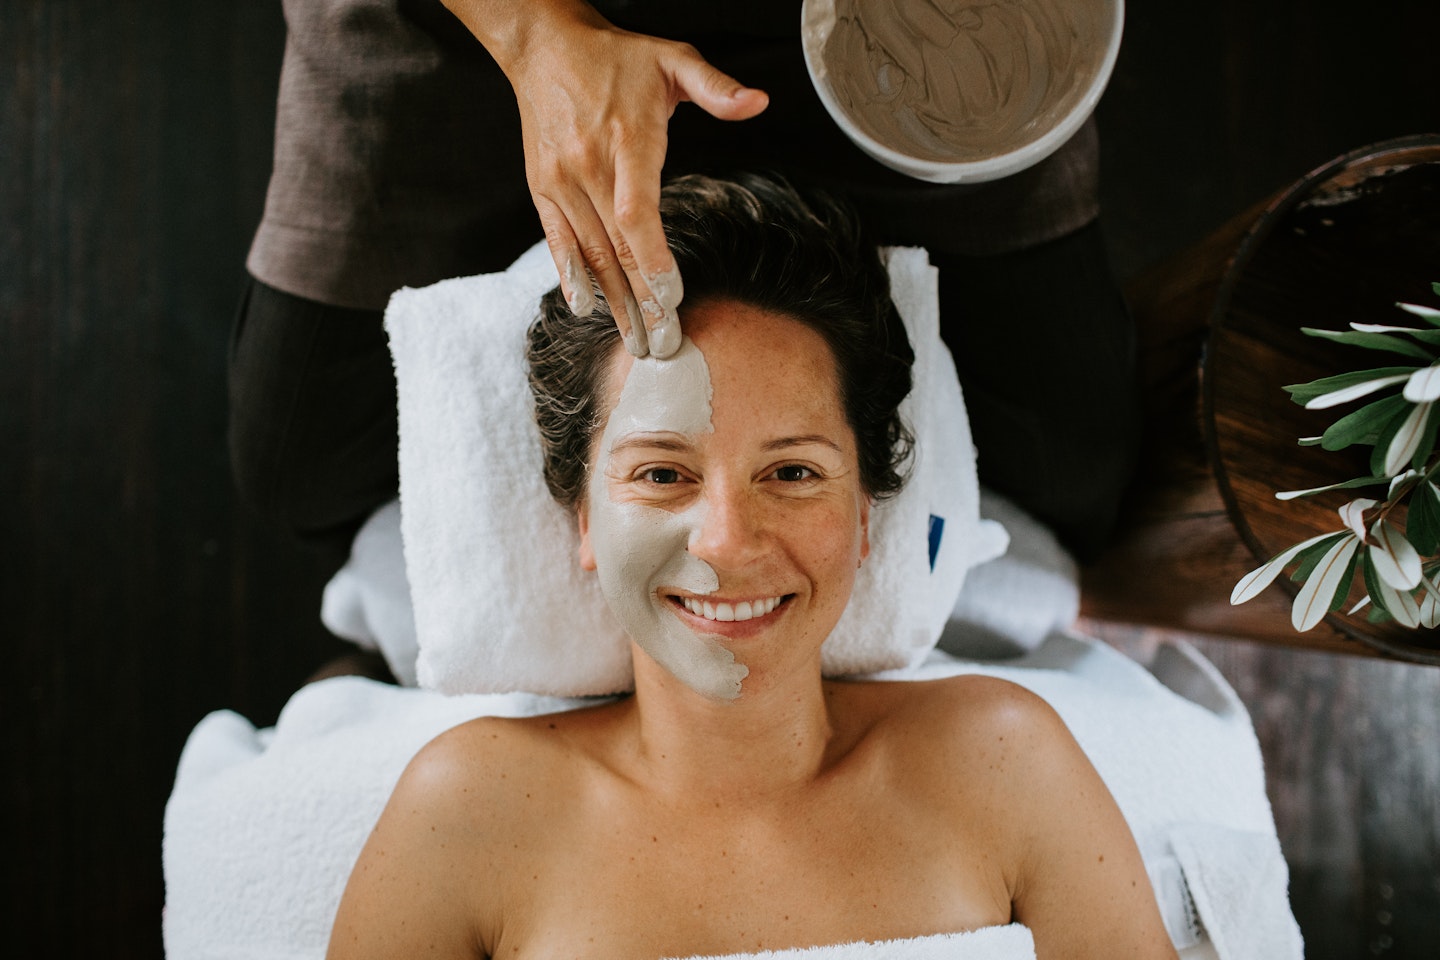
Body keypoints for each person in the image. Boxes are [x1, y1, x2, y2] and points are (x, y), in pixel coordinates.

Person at [324, 174, 1175, 959]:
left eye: (794, 473)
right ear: (584, 519)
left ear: (866, 514)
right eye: (663, 474)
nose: (727, 543)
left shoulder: (1004, 762)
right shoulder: (468, 812)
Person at [229, 0, 1139, 571]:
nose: (725, 546)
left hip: (933, 34)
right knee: (295, 474)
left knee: (1078, 471)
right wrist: (534, 37)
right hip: (470, 35)